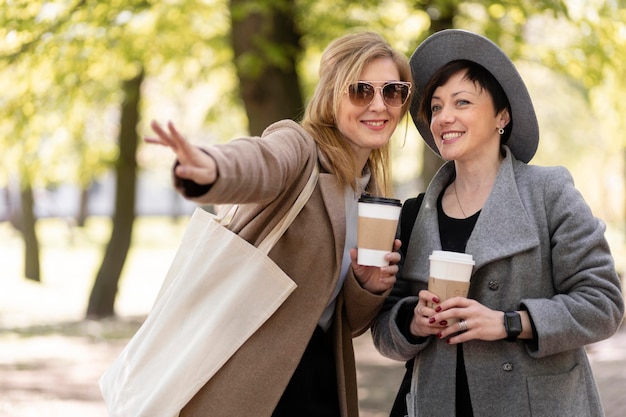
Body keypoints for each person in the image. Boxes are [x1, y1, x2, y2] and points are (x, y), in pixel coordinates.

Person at [145, 31, 413, 417]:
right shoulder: (300, 148)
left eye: (392, 91)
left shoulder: (372, 192)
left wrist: (366, 285)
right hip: (248, 375)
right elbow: (261, 161)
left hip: (317, 377)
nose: (378, 104)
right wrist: (210, 166)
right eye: (360, 90)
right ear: (331, 96)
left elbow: (343, 325)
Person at [372, 29, 625, 417]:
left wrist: (509, 323)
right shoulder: (413, 213)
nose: (445, 117)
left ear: (501, 116)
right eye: (436, 107)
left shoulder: (548, 193)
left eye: (462, 102)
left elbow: (604, 305)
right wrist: (413, 321)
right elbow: (385, 331)